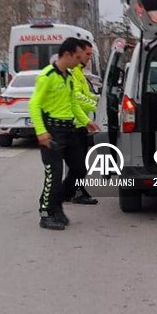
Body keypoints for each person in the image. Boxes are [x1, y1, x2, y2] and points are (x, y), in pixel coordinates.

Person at [28, 38, 97, 231]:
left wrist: (86, 122)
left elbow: (73, 103)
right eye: (77, 57)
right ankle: (47, 213)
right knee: (54, 173)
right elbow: (34, 105)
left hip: (69, 129)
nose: (79, 61)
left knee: (79, 168)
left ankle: (57, 201)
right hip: (52, 130)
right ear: (67, 55)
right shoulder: (47, 75)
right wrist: (41, 131)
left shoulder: (68, 76)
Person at [66, 39, 99, 206]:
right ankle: (69, 193)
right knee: (78, 165)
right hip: (74, 124)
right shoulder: (72, 73)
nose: (88, 58)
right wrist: (97, 105)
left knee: (79, 164)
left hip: (81, 123)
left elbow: (85, 95)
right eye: (87, 54)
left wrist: (99, 99)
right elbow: (77, 98)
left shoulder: (79, 73)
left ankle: (74, 191)